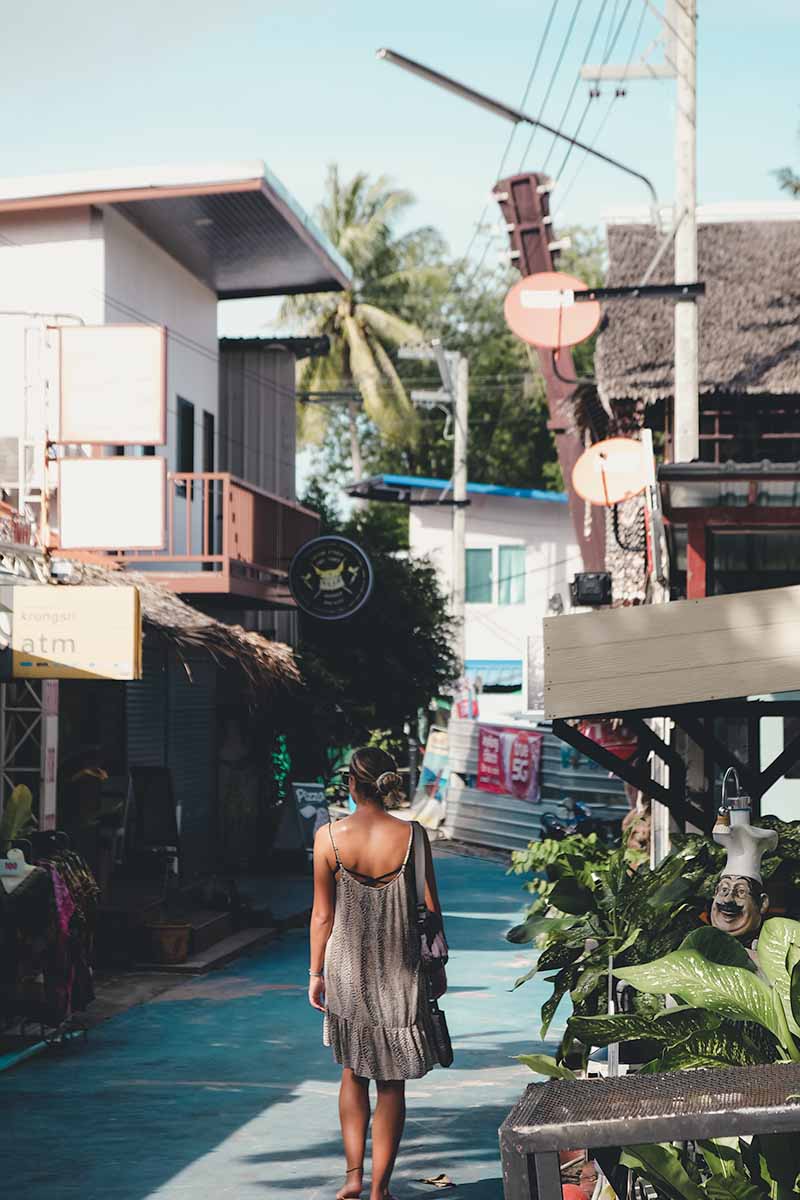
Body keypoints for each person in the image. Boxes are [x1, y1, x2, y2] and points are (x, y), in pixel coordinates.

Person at [309, 747, 442, 1200]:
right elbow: (431, 911)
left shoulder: (328, 838)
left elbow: (322, 917)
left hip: (346, 971)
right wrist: (439, 970)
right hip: (400, 972)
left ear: (351, 783)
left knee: (352, 1074)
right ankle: (381, 1189)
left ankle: (352, 1178)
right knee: (391, 1083)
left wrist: (315, 973)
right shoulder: (413, 837)